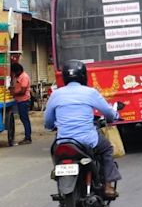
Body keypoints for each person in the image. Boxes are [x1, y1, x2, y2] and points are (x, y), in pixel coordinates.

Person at [44, 60, 122, 197]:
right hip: (87, 140)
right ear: (83, 76)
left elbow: (48, 121)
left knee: (54, 150)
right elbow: (108, 112)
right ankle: (108, 186)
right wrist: (114, 116)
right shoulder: (90, 92)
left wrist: (51, 126)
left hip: (63, 141)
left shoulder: (56, 94)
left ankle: (57, 170)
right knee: (107, 148)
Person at [9, 63, 32, 145]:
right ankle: (27, 137)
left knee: (25, 119)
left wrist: (14, 93)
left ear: (18, 71)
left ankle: (28, 138)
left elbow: (22, 91)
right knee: (23, 118)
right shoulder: (17, 76)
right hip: (19, 101)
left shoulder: (24, 77)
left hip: (24, 101)